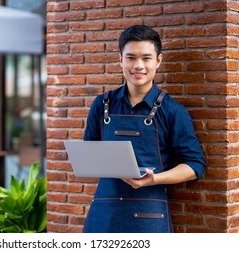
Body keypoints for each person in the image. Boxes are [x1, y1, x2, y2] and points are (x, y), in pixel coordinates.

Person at [83, 25, 206, 233]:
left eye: (146, 58)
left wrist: (155, 179)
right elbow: (89, 154)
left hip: (149, 215)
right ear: (120, 59)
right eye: (131, 57)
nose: (138, 65)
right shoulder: (101, 104)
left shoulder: (173, 111)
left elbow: (195, 165)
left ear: (158, 61)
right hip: (104, 215)